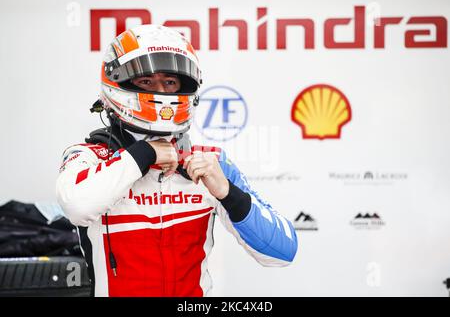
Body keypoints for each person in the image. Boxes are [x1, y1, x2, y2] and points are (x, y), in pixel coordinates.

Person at [56, 24, 298, 297]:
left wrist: (227, 193)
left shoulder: (210, 163)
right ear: (117, 84)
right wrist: (144, 154)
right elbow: (78, 207)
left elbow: (282, 251)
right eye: (146, 81)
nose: (161, 92)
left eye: (170, 83)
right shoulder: (89, 156)